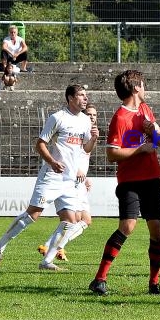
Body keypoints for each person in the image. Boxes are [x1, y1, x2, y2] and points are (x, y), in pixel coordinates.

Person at [0, 84, 98, 271]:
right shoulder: (57, 118)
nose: (85, 98)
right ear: (70, 98)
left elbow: (85, 149)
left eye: (85, 95)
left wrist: (94, 140)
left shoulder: (86, 122)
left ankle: (47, 261)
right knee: (33, 215)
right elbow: (40, 144)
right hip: (52, 176)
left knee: (71, 221)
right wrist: (52, 162)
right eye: (81, 95)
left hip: (71, 180)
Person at [89, 70, 160, 296]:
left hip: (151, 177)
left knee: (157, 231)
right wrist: (140, 149)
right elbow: (112, 154)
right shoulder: (120, 117)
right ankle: (99, 279)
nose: (145, 88)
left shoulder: (145, 110)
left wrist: (154, 132)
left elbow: (159, 142)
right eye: (143, 84)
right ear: (135, 88)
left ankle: (154, 282)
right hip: (130, 180)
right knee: (128, 226)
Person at [37, 104, 98, 262]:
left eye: (94, 115)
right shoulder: (77, 128)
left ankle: (52, 246)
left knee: (83, 220)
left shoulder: (89, 132)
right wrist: (78, 171)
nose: (92, 117)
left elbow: (83, 155)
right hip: (72, 179)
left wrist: (86, 176)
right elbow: (74, 154)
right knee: (78, 219)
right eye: (89, 114)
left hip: (80, 179)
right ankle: (53, 246)